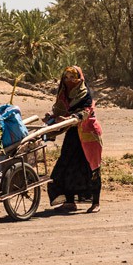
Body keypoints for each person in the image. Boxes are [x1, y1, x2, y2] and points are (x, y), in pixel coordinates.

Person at [45, 66, 103, 213]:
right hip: (72, 133)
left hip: (88, 133)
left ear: (79, 79)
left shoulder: (85, 94)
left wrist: (74, 117)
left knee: (91, 167)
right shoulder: (64, 94)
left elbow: (87, 110)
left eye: (73, 78)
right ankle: (70, 201)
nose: (70, 81)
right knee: (66, 165)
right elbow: (60, 110)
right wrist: (52, 118)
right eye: (67, 78)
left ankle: (95, 202)